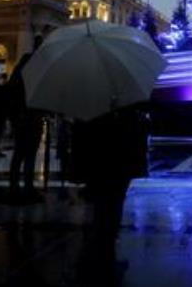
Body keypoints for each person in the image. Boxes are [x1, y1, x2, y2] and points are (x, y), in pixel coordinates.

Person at [74, 103, 150, 285]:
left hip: (101, 163)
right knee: (113, 203)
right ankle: (105, 249)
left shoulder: (88, 108)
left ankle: (101, 249)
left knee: (104, 204)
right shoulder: (127, 106)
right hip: (118, 163)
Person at [8, 35, 45, 202]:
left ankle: (15, 187)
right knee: (28, 154)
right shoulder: (36, 67)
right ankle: (26, 188)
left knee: (20, 153)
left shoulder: (21, 67)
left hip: (21, 116)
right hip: (31, 116)